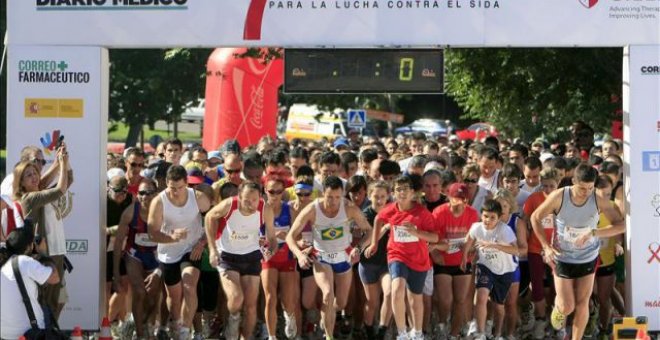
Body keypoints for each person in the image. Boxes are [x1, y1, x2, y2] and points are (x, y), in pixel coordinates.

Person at [530, 164, 624, 340]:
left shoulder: (597, 199)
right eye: (582, 188)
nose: (586, 192)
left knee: (583, 303)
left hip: (587, 257)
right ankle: (558, 309)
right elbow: (535, 217)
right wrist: (546, 246)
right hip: (562, 256)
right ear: (574, 181)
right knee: (567, 306)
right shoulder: (559, 196)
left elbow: (621, 224)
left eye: (590, 188)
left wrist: (594, 233)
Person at [287, 176, 372, 340]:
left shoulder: (349, 208)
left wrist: (358, 248)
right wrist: (299, 255)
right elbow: (291, 236)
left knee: (340, 303)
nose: (334, 202)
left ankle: (327, 316)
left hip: (343, 257)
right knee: (327, 293)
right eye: (329, 197)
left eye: (337, 197)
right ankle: (328, 335)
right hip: (321, 257)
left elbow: (369, 231)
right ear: (322, 194)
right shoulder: (312, 209)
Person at [365, 176, 439, 340]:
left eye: (405, 189)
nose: (402, 192)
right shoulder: (391, 209)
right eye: (398, 189)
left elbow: (435, 238)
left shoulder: (422, 213)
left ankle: (418, 333)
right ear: (394, 193)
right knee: (397, 289)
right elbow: (378, 219)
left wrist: (416, 232)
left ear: (413, 192)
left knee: (415, 299)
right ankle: (402, 333)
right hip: (397, 255)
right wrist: (374, 244)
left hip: (419, 260)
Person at [204, 181, 278, 340]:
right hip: (227, 256)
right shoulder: (229, 205)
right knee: (236, 298)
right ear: (239, 196)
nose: (250, 204)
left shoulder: (265, 209)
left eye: (254, 200)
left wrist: (270, 251)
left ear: (260, 197)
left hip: (251, 256)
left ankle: (246, 337)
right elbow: (210, 217)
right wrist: (212, 249)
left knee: (251, 306)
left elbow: (272, 238)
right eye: (246, 200)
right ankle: (233, 319)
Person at [148, 165, 211, 340]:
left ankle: (185, 330)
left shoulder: (198, 198)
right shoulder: (159, 202)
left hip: (191, 248)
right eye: (171, 188)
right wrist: (172, 237)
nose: (175, 192)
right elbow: (152, 232)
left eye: (180, 188)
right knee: (173, 298)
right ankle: (175, 323)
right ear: (166, 184)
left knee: (190, 285)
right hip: (168, 252)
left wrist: (202, 241)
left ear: (187, 184)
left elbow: (215, 220)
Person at [15, 144, 73, 320]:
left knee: (54, 301)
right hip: (41, 253)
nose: (35, 176)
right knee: (44, 302)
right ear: (21, 182)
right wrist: (61, 162)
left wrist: (62, 161)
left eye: (41, 162)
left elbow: (67, 179)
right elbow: (61, 188)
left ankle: (51, 332)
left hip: (54, 251)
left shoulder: (37, 190)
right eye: (30, 173)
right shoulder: (31, 197)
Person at [461, 199, 520, 340]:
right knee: (481, 297)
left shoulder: (505, 230)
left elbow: (516, 250)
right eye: (485, 216)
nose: (488, 220)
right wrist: (464, 257)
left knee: (498, 306)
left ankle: (498, 334)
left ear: (499, 218)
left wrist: (495, 246)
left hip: (504, 270)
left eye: (492, 217)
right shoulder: (476, 227)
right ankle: (480, 333)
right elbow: (469, 239)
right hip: (485, 266)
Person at [114, 178, 162, 339]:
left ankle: (143, 323)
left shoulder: (164, 212)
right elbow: (119, 241)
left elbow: (172, 244)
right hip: (135, 254)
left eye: (149, 193)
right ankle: (141, 334)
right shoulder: (130, 212)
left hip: (157, 255)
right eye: (141, 193)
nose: (145, 197)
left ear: (156, 194)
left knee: (153, 296)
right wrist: (116, 274)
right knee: (140, 292)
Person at [431, 182, 479, 339]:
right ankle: (442, 324)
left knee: (460, 300)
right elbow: (431, 237)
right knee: (445, 300)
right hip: (443, 262)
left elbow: (476, 238)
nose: (460, 202)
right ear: (449, 198)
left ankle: (454, 333)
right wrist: (435, 254)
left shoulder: (472, 214)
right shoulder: (439, 213)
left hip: (463, 262)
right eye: (456, 198)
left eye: (463, 199)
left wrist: (472, 249)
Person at [0, 223, 60, 340]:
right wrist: (42, 253)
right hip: (30, 333)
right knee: (48, 313)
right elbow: (55, 278)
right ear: (28, 247)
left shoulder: (4, 264)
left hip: (5, 334)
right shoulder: (24, 262)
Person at [523, 168, 561, 338]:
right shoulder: (533, 199)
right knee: (537, 287)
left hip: (558, 251)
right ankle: (540, 320)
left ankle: (558, 322)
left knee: (558, 288)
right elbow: (524, 220)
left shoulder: (564, 200)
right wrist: (523, 239)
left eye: (551, 186)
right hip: (535, 249)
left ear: (558, 184)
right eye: (544, 185)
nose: (547, 189)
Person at [260, 177, 300, 340]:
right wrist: (270, 237)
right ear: (265, 191)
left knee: (288, 300)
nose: (275, 195)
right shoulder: (260, 210)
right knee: (270, 297)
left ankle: (289, 316)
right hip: (268, 256)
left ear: (283, 192)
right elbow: (252, 235)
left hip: (287, 257)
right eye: (271, 191)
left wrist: (288, 236)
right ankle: (271, 335)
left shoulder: (290, 210)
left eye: (278, 191)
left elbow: (300, 237)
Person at [358, 181, 393, 340]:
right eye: (376, 196)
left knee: (389, 293)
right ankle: (369, 331)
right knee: (372, 302)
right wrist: (385, 227)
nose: (379, 200)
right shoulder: (366, 214)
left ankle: (382, 331)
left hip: (387, 262)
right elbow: (367, 238)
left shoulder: (394, 212)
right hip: (368, 263)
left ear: (388, 197)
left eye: (382, 197)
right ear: (369, 196)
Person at [493, 189, 528, 339]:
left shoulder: (517, 222)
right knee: (494, 303)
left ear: (510, 206)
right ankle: (496, 332)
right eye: (498, 206)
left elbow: (524, 249)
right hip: (492, 267)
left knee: (511, 303)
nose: (501, 210)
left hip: (511, 268)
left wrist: (505, 249)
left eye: (504, 206)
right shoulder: (489, 220)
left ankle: (510, 334)